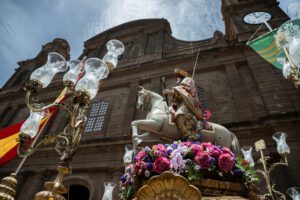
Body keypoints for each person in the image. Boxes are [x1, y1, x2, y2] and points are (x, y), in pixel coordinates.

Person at [164, 68, 211, 141]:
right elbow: (178, 96)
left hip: (188, 103)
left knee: (180, 114)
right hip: (182, 103)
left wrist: (170, 92)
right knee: (170, 111)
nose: (176, 78)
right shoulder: (181, 83)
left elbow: (184, 91)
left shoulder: (188, 80)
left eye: (177, 76)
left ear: (180, 75)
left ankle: (188, 134)